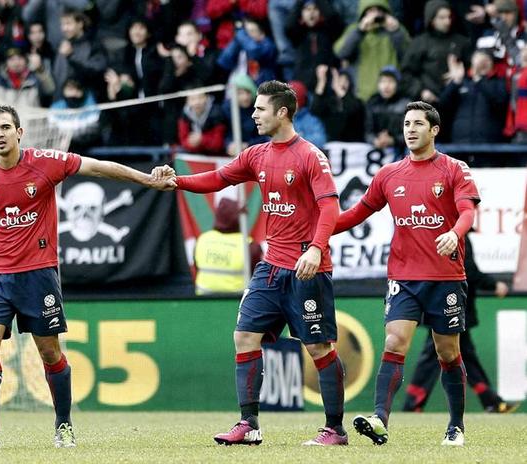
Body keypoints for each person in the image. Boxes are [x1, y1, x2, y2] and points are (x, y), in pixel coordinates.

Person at [0, 105, 176, 450]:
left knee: (49, 352)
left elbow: (99, 167)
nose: (0, 134)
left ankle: (63, 423)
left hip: (37, 275)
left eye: (6, 127)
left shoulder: (46, 162)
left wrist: (147, 180)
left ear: (19, 132)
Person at [155, 80, 347, 446]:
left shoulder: (310, 156)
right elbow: (218, 178)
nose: (254, 115)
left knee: (319, 349)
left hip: (307, 268)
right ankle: (249, 424)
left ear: (282, 112)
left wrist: (316, 248)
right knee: (244, 336)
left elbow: (329, 207)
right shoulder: (256, 155)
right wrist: (176, 181)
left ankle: (335, 429)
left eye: (260, 109)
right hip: (271, 266)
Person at [333, 101, 480, 446]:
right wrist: (319, 232)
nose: (410, 130)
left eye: (418, 124)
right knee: (395, 341)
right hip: (404, 277)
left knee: (447, 352)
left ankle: (456, 426)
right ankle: (379, 420)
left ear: (434, 130)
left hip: (445, 278)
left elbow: (467, 211)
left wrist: (454, 233)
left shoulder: (454, 169)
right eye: (406, 124)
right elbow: (356, 213)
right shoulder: (389, 174)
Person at [403, 232, 520, 413]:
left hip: (443, 305)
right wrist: (493, 285)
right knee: (439, 355)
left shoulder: (444, 232)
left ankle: (491, 401)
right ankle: (412, 404)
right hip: (451, 307)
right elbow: (467, 271)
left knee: (460, 356)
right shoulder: (455, 236)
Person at [194, 197, 263, 295]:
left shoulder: (202, 240)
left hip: (203, 299)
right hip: (237, 300)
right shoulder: (250, 247)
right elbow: (258, 278)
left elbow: (196, 268)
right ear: (241, 219)